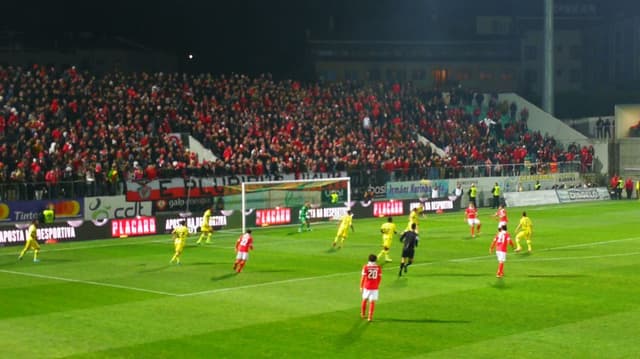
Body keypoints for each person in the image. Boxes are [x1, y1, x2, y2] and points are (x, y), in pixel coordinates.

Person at [360, 254, 382, 322]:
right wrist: (377, 285)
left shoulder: (365, 267)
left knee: (364, 299)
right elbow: (379, 278)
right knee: (372, 302)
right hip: (374, 287)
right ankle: (370, 317)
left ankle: (363, 314)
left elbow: (363, 278)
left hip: (367, 286)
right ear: (375, 260)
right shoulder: (378, 267)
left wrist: (361, 286)